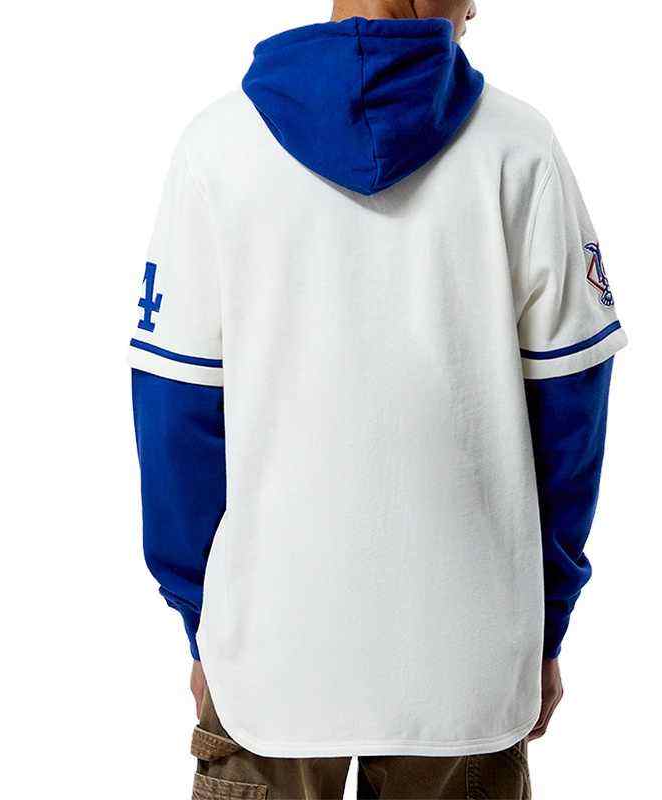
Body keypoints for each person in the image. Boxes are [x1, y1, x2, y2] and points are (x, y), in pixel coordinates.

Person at [129, 1, 627, 797]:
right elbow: (570, 415)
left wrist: (205, 624)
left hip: (270, 657)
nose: (477, 7)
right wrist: (547, 619)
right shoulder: (518, 148)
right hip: (468, 665)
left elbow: (175, 421)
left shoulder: (217, 149)